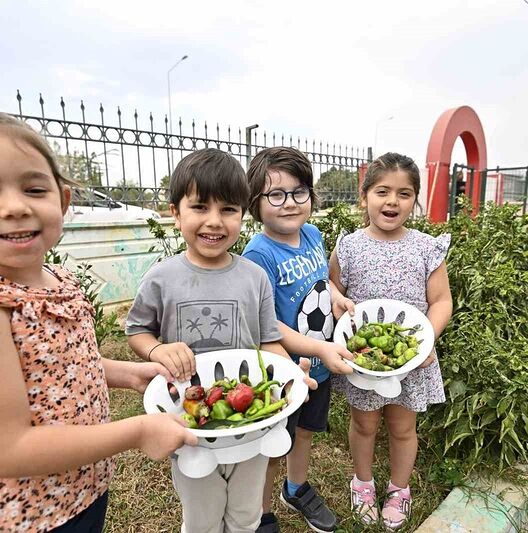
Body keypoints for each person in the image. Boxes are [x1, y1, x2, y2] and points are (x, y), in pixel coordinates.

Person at [0, 108, 196, 533]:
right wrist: (137, 432)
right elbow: (5, 448)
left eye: (34, 188)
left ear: (62, 200)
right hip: (21, 515)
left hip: (79, 489)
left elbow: (59, 365)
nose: (15, 207)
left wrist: (126, 373)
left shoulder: (55, 280)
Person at [125, 148, 317, 533]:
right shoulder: (162, 278)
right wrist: (157, 349)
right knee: (202, 518)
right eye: (199, 207)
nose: (214, 222)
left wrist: (288, 375)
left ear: (243, 214)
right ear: (175, 212)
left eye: (228, 209)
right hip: (190, 422)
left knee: (246, 515)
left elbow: (268, 341)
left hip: (249, 419)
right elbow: (137, 331)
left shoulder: (253, 277)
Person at [329, 152, 453, 530]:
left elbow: (441, 300)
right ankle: (362, 483)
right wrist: (337, 304)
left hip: (410, 357)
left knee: (403, 428)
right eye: (382, 191)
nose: (392, 201)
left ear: (415, 200)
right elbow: (332, 287)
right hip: (364, 356)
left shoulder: (425, 247)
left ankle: (400, 489)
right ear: (364, 196)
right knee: (364, 425)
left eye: (404, 193)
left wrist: (426, 340)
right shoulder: (349, 246)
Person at [241, 147, 353, 533]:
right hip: (284, 373)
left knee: (306, 431)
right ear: (255, 202)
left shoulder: (313, 234)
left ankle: (297, 487)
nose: (289, 203)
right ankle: (260, 513)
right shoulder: (259, 254)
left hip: (320, 368)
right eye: (276, 194)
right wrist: (320, 347)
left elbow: (321, 282)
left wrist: (335, 297)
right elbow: (266, 323)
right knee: (273, 447)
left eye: (298, 191)